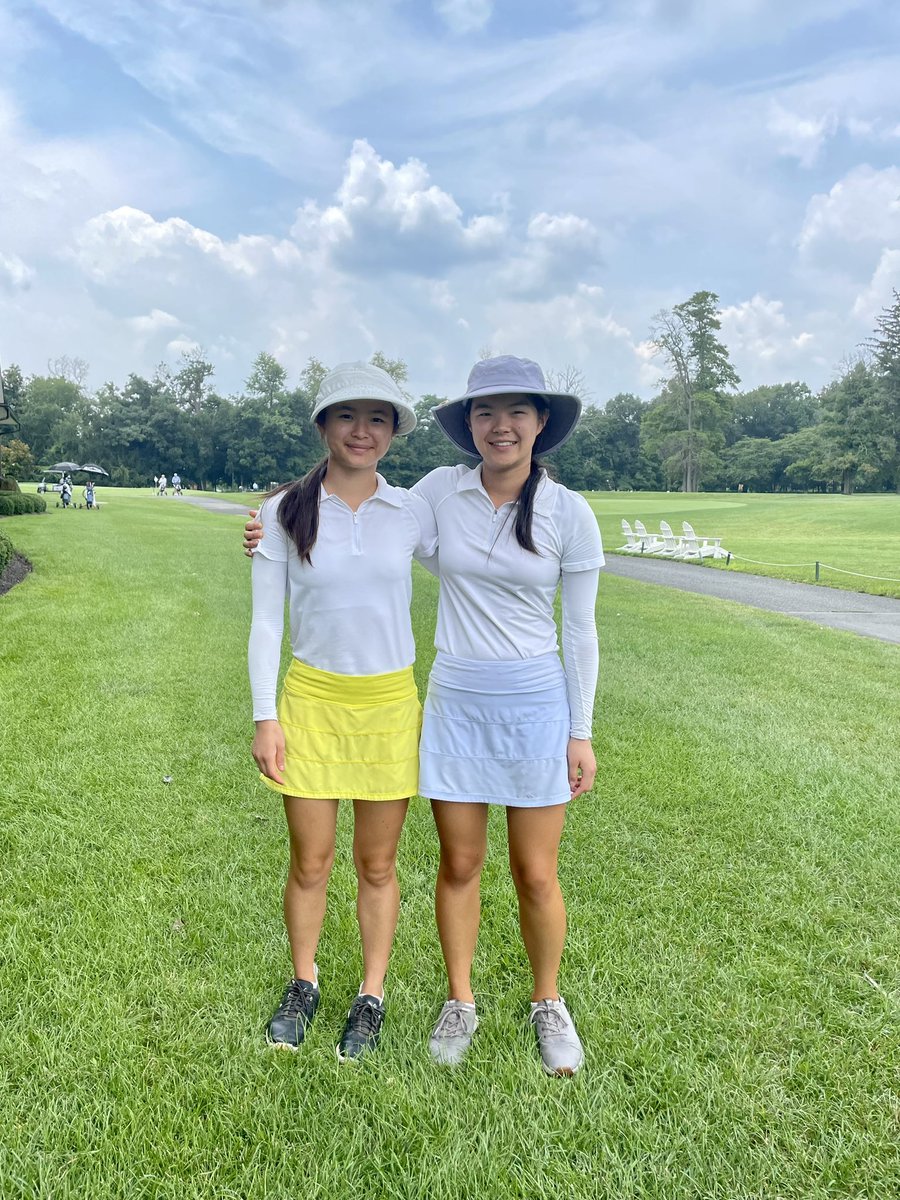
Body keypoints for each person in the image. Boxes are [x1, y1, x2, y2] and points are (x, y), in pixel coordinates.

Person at [245, 355, 603, 1076]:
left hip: (493, 703)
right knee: (429, 861)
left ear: (540, 423)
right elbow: (294, 588)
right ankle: (423, 997)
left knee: (524, 870)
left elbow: (571, 622)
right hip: (418, 700)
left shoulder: (531, 510)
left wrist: (580, 728)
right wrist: (264, 531)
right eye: (484, 413)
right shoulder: (425, 494)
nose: (500, 426)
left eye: (517, 413)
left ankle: (540, 1003)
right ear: (468, 426)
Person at [248, 361, 437, 1062]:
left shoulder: (411, 511)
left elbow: (474, 561)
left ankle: (371, 994)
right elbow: (267, 623)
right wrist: (266, 715)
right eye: (348, 416)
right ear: (324, 426)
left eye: (379, 418)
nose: (363, 431)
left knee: (378, 863)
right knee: (311, 860)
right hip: (311, 702)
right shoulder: (283, 512)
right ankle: (304, 981)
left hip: (389, 702)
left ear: (393, 433)